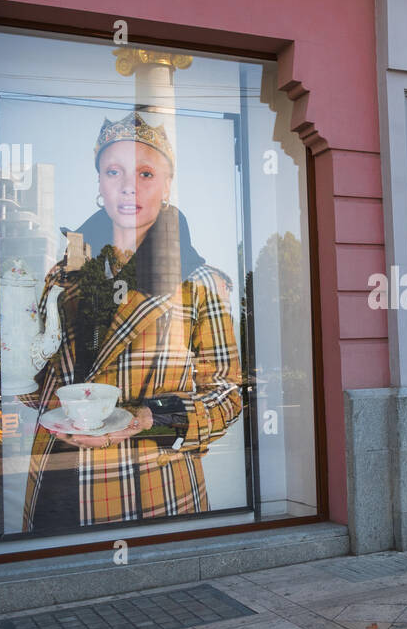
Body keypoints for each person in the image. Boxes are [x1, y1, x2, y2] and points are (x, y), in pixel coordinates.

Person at [20, 111, 243, 533]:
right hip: (55, 480)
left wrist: (148, 417)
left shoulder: (200, 283)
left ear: (167, 184)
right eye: (113, 171)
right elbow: (39, 372)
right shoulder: (63, 274)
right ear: (99, 182)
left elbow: (228, 395)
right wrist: (21, 374)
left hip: (149, 486)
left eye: (145, 173)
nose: (128, 186)